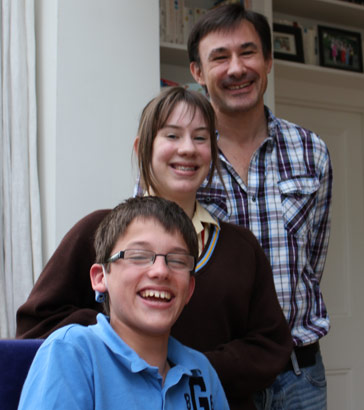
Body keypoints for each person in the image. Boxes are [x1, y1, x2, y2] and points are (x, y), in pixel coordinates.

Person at [16, 86, 292, 409]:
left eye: (201, 138)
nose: (187, 149)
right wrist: (128, 338)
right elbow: (37, 325)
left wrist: (185, 363)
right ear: (142, 148)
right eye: (172, 136)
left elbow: (270, 345)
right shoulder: (98, 231)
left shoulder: (241, 247)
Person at [187, 4, 333, 409]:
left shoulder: (311, 151)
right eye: (219, 57)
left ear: (268, 61)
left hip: (299, 374)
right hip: (212, 372)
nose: (237, 68)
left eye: (248, 52)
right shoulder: (181, 155)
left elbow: (313, 261)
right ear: (198, 72)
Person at [18, 196, 229, 410]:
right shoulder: (72, 352)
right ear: (100, 278)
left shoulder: (202, 373)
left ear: (189, 290)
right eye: (138, 255)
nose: (161, 271)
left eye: (177, 261)